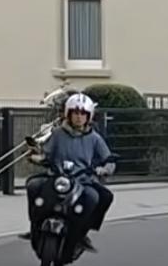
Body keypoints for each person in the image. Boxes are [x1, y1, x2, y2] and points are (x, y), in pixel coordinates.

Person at [32, 92, 116, 249]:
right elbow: (46, 153)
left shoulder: (95, 138)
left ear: (89, 116)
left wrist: (104, 169)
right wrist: (37, 157)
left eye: (83, 113)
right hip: (57, 177)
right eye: (75, 113)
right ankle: (35, 223)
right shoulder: (57, 134)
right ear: (68, 114)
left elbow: (108, 159)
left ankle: (82, 231)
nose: (79, 117)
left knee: (95, 197)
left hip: (82, 180)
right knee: (34, 186)